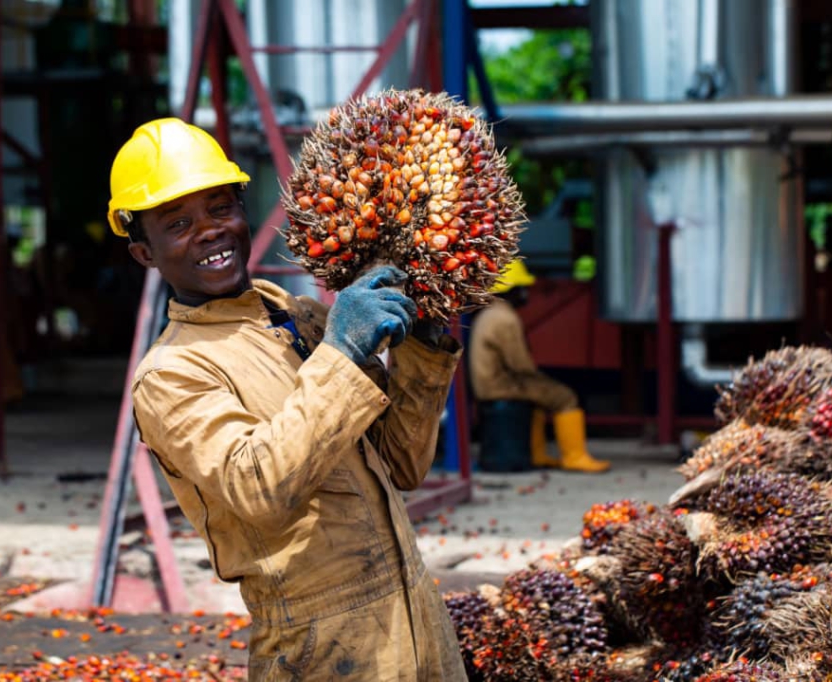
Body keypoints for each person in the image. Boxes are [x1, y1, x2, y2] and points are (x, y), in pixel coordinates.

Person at [107, 118, 466, 680]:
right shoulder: (172, 374)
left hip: (417, 620)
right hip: (321, 648)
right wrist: (343, 350)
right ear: (144, 254)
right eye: (178, 223)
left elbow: (402, 464)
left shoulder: (299, 317)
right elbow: (258, 489)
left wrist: (423, 342)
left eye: (220, 209)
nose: (209, 231)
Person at [468, 259, 610, 473]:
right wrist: (542, 381)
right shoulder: (505, 318)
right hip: (500, 385)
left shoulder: (489, 313)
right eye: (522, 288)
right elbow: (520, 365)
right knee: (564, 396)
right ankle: (575, 457)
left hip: (489, 383)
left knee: (540, 397)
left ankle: (538, 454)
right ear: (511, 289)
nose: (526, 294)